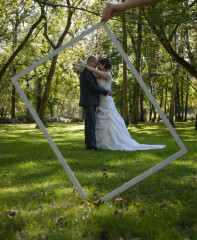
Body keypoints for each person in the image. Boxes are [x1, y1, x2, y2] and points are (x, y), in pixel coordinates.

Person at [85, 58, 166, 150]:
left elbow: (92, 70)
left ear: (104, 65)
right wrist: (81, 69)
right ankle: (101, 143)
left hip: (107, 101)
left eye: (99, 65)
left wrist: (85, 66)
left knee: (110, 119)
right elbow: (91, 75)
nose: (97, 66)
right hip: (102, 102)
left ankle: (113, 143)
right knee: (102, 121)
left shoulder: (107, 75)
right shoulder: (101, 75)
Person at [79, 56, 112, 150]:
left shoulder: (89, 72)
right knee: (91, 124)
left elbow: (97, 78)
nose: (97, 66)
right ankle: (92, 146)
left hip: (91, 101)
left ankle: (89, 146)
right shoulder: (86, 72)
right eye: (96, 63)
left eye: (98, 64)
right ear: (91, 62)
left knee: (89, 124)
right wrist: (106, 92)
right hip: (89, 101)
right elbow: (93, 87)